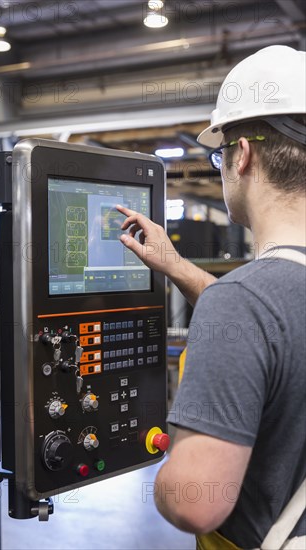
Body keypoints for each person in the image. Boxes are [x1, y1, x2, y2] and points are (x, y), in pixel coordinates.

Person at [117, 45, 306, 550]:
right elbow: (280, 316)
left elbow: (194, 502)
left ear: (241, 154)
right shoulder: (260, 300)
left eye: (218, 155)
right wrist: (177, 267)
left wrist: (155, 459)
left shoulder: (246, 302)